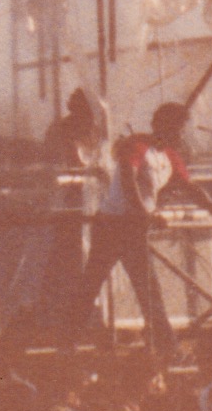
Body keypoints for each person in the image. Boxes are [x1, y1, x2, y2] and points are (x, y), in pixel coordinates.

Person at [74, 101, 197, 361]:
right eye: (176, 128)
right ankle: (68, 339)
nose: (179, 135)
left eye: (181, 129)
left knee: (148, 288)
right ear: (162, 126)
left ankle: (167, 346)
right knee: (92, 284)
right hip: (112, 225)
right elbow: (129, 183)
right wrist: (147, 214)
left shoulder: (170, 156)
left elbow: (192, 188)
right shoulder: (137, 146)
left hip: (133, 227)